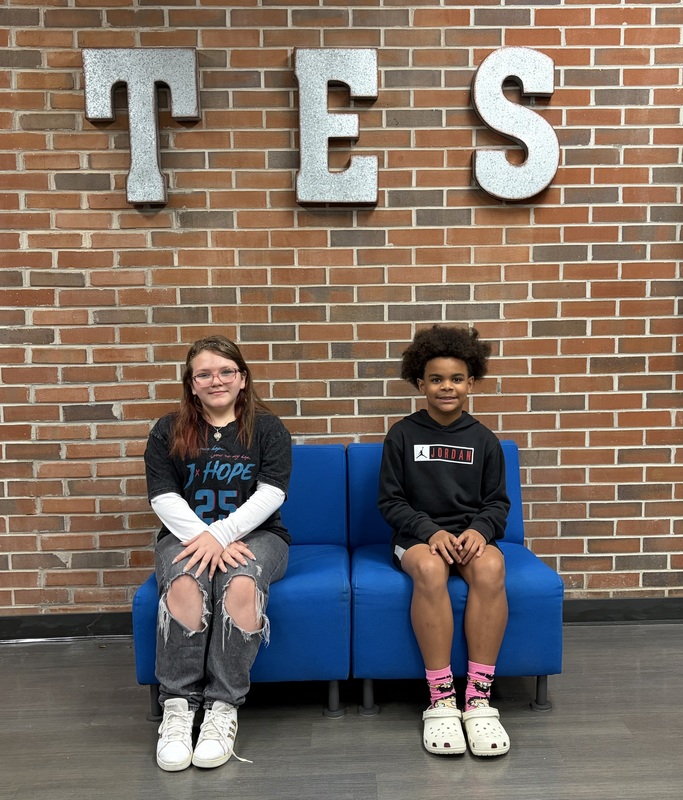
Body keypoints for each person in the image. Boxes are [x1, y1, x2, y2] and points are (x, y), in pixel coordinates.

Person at [144, 335, 291, 772]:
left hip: (260, 536)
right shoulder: (167, 429)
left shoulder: (267, 429)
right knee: (186, 582)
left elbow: (272, 493)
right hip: (184, 535)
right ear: (191, 384)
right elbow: (163, 497)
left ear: (242, 379)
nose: (216, 380)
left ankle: (223, 707)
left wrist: (221, 535)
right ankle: (177, 707)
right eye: (204, 373)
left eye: (226, 371)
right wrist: (204, 538)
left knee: (241, 583)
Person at [378, 325, 511, 757]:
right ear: (421, 383)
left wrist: (479, 530)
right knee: (432, 569)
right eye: (436, 379)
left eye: (456, 379)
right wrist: (430, 531)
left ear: (471, 382)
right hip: (417, 536)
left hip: (467, 536)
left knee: (492, 566)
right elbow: (390, 501)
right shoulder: (401, 434)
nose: (447, 387)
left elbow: (497, 504)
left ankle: (477, 697)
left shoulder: (485, 440)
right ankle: (440, 698)